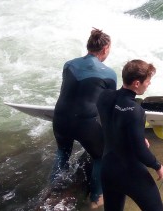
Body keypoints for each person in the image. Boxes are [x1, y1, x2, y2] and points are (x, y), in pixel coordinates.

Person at [51, 28, 116, 210]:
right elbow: (107, 105)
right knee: (100, 156)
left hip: (60, 118)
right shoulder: (109, 74)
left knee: (63, 151)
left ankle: (53, 189)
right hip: (85, 123)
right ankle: (96, 198)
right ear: (105, 49)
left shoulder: (68, 65)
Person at [97, 59, 163, 211]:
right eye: (147, 81)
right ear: (136, 83)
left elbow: (113, 126)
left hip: (108, 169)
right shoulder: (136, 111)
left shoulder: (103, 97)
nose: (149, 84)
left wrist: (136, 137)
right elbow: (140, 151)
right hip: (131, 172)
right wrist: (157, 165)